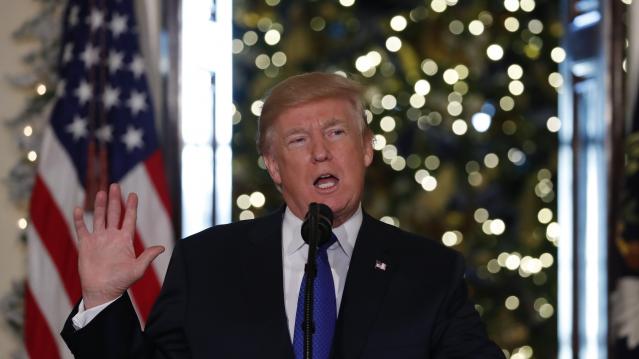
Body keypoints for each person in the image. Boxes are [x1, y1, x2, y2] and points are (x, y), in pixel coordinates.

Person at [61, 72, 504, 358]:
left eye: (335, 132)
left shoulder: (429, 271)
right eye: (297, 141)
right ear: (273, 166)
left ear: (366, 147)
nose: (320, 152)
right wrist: (102, 300)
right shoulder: (207, 262)